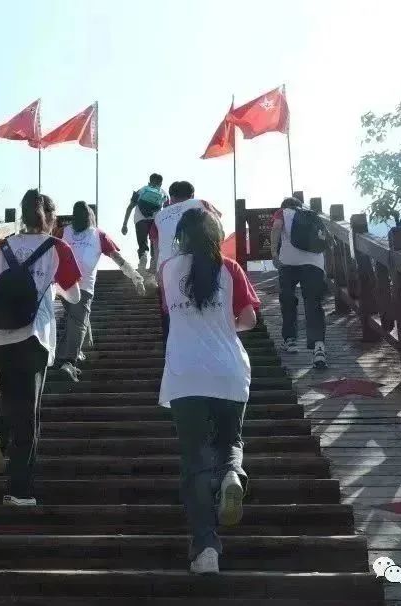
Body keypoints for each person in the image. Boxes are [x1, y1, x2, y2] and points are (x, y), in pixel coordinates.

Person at [0, 189, 82, 506]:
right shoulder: (57, 248)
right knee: (29, 416)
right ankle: (19, 490)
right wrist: (50, 285)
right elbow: (75, 295)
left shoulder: (1, 246)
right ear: (51, 219)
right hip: (32, 337)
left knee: (12, 399)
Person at [158, 208, 260, 575]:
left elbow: (170, 315)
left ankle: (206, 550)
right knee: (230, 441)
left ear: (181, 237)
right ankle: (232, 475)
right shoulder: (230, 269)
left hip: (186, 377)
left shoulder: (167, 270)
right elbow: (249, 320)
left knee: (195, 462)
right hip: (228, 371)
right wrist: (224, 325)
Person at [55, 201, 146, 381]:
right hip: (82, 287)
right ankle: (67, 361)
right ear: (91, 216)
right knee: (78, 321)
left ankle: (79, 349)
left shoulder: (63, 232)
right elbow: (117, 258)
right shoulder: (98, 234)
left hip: (64, 285)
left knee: (77, 317)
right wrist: (136, 277)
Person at [150, 180, 222, 345]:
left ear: (171, 197)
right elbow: (218, 226)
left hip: (167, 269)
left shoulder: (159, 216)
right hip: (200, 262)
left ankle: (172, 349)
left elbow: (156, 245)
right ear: (192, 194)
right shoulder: (201, 203)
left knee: (171, 312)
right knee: (206, 306)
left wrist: (157, 271)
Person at [270, 196, 328, 369]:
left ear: (284, 206)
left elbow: (276, 228)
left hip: (289, 262)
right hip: (315, 263)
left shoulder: (282, 212)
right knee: (313, 303)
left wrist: (274, 253)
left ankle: (290, 340)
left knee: (288, 299)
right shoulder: (312, 215)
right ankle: (318, 348)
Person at [121, 173, 168, 272]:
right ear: (161, 183)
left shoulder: (142, 190)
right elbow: (168, 210)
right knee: (154, 243)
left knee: (142, 243)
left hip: (140, 220)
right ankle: (153, 265)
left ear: (149, 181)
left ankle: (142, 264)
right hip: (155, 221)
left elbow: (130, 207)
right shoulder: (163, 193)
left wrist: (124, 224)